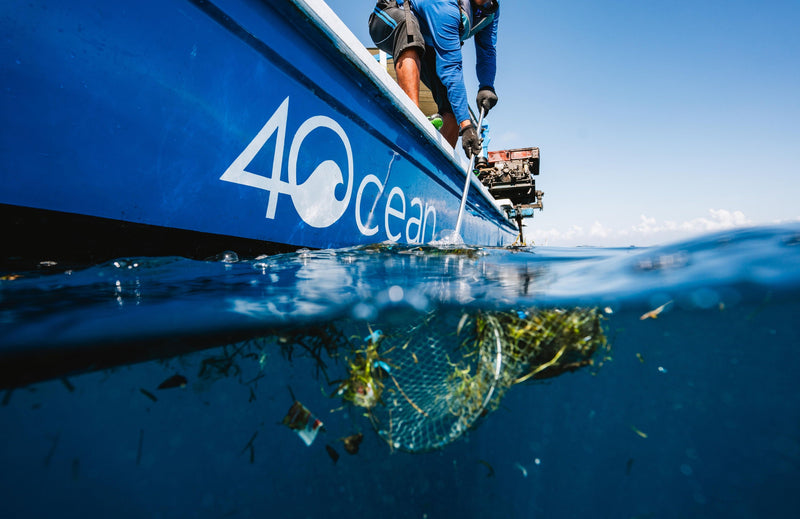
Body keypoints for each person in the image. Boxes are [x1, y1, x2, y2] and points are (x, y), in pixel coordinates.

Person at [369, 0, 500, 159]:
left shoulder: (491, 10)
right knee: (408, 30)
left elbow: (487, 50)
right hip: (388, 17)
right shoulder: (445, 5)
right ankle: (412, 120)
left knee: (452, 110)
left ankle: (436, 165)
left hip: (427, 38)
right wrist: (466, 126)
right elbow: (451, 67)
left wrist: (487, 86)